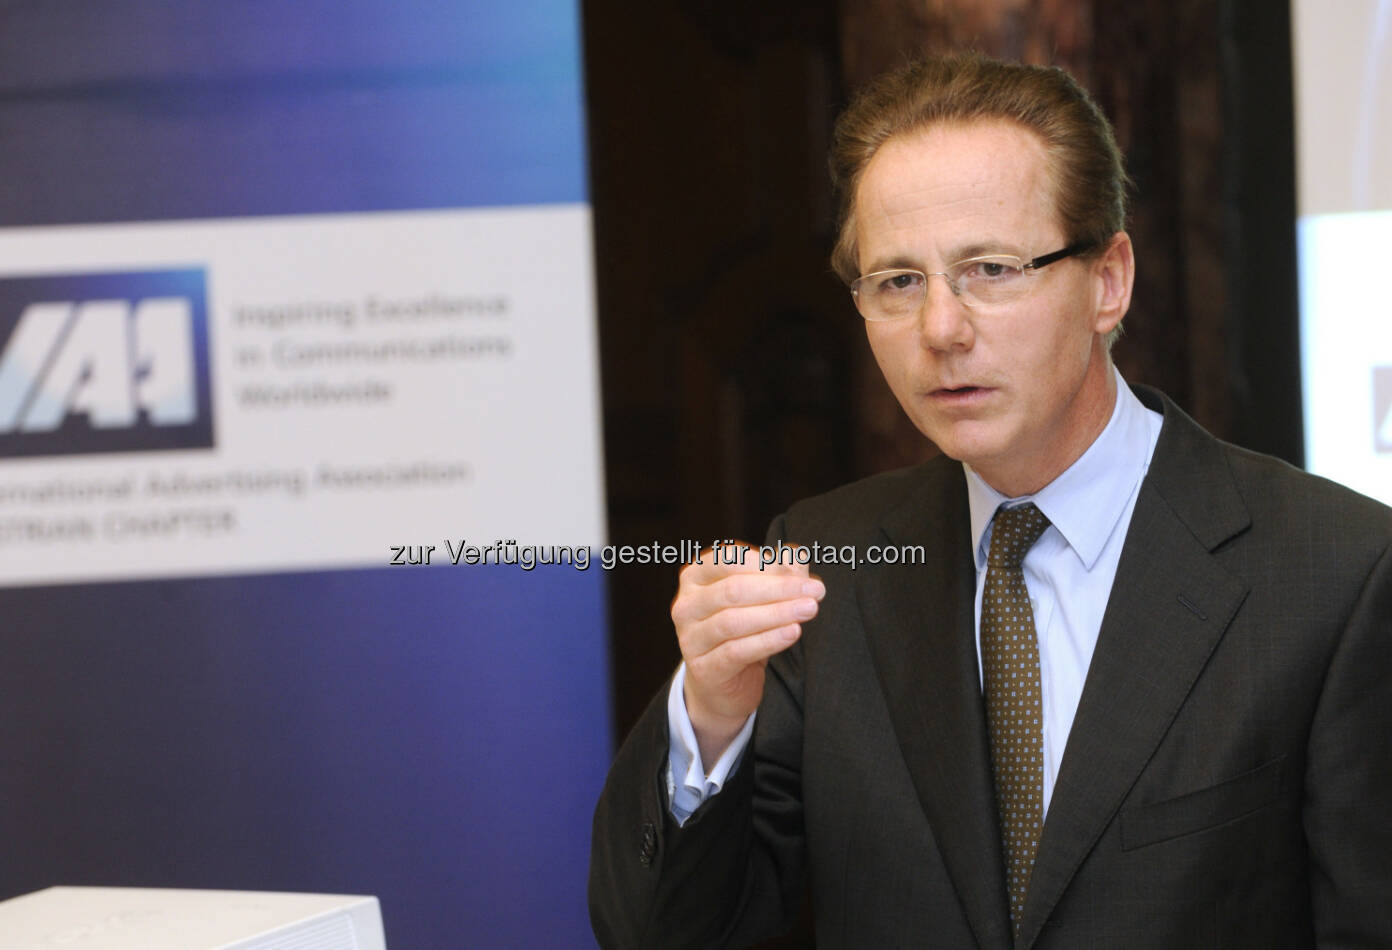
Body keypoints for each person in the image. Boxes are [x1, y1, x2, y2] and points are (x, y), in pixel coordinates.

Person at [588, 53, 1392, 949]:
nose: (941, 329)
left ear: (1108, 280)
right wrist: (713, 718)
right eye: (898, 282)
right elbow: (659, 935)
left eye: (991, 270)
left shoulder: (1335, 573)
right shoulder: (827, 567)